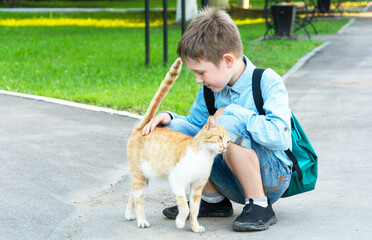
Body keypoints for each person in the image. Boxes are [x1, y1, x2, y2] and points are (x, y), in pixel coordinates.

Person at [141, 7, 292, 232]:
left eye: (201, 73)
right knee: (176, 130)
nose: (197, 80)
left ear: (227, 60)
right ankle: (212, 201)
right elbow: (197, 128)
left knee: (227, 123)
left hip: (271, 178)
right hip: (229, 178)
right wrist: (169, 118)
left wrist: (233, 112)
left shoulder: (266, 81)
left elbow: (281, 137)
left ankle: (259, 205)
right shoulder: (210, 90)